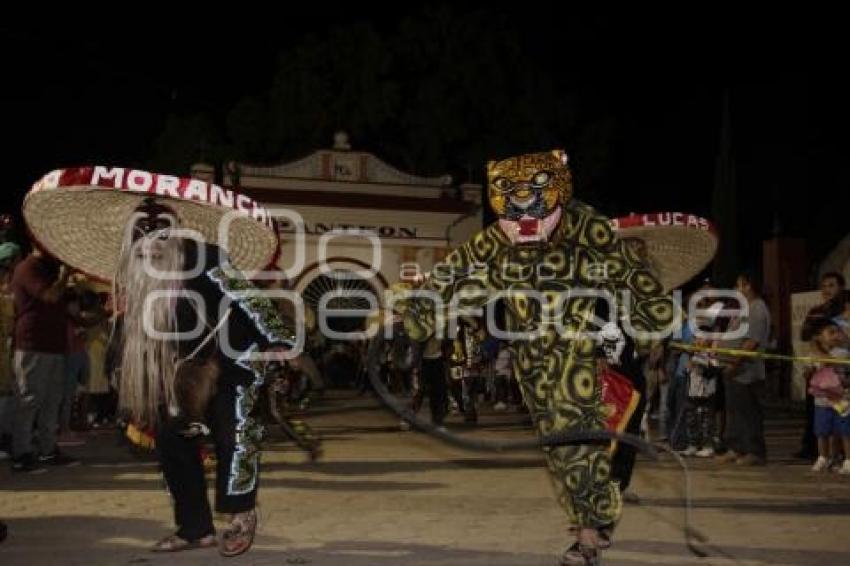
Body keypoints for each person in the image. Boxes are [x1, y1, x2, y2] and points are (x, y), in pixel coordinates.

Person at [398, 150, 675, 565]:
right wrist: (423, 305)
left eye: (536, 195)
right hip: (535, 366)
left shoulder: (589, 232)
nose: (525, 206)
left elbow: (641, 294)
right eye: (511, 196)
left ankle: (589, 534)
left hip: (591, 363)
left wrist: (632, 327)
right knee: (564, 452)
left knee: (588, 445)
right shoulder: (500, 243)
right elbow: (458, 272)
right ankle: (591, 522)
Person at [22, 167, 297, 557]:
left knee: (232, 433)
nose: (151, 242)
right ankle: (194, 528)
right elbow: (133, 330)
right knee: (172, 439)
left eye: (160, 232)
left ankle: (240, 514)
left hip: (233, 360)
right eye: (142, 234)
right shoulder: (134, 272)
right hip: (180, 372)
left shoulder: (206, 256)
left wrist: (281, 341)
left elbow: (246, 298)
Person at [10, 248, 77, 472]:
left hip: (52, 346)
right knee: (28, 400)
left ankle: (48, 450)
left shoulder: (47, 269)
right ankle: (22, 453)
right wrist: (64, 275)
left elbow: (63, 303)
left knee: (51, 401)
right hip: (33, 344)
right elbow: (50, 295)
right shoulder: (29, 268)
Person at [716, 271, 771, 466]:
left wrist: (734, 363)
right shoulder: (743, 309)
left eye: (741, 285)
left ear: (750, 286)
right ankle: (736, 448)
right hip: (732, 370)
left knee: (749, 412)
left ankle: (754, 451)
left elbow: (751, 343)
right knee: (734, 412)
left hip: (746, 371)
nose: (737, 289)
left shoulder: (757, 308)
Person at [795, 272, 846, 460]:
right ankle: (813, 449)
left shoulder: (843, 312)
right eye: (824, 286)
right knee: (815, 411)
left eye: (832, 285)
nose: (827, 290)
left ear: (841, 287)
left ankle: (839, 453)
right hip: (818, 368)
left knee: (841, 412)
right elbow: (805, 335)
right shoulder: (816, 310)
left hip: (839, 371)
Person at [805, 317, 850, 474]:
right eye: (831, 332)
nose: (836, 335)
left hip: (841, 399)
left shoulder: (842, 352)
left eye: (837, 331)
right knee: (822, 430)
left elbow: (831, 361)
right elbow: (808, 373)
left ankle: (847, 460)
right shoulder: (813, 355)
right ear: (819, 336)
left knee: (844, 430)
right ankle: (823, 457)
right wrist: (809, 368)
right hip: (821, 400)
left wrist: (819, 353)